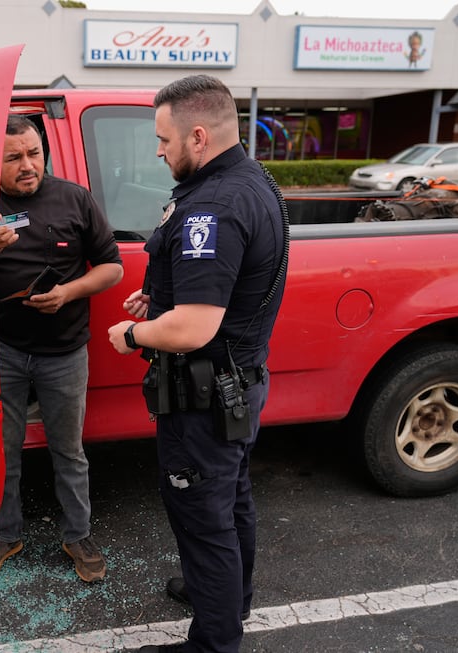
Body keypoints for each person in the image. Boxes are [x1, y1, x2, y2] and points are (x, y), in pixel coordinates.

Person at [108, 75, 287, 653]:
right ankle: (228, 597)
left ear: (199, 136)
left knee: (203, 518)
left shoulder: (213, 205)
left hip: (205, 397)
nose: (158, 150)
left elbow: (194, 326)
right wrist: (158, 299)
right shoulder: (249, 179)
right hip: (236, 386)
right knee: (230, 500)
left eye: (164, 139)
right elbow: (214, 291)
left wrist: (134, 332)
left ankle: (214, 641)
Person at [0, 115, 123, 583]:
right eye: (13, 157)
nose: (27, 165)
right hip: (5, 350)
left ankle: (77, 534)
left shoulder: (73, 198)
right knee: (4, 450)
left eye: (33, 153)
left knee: (68, 451)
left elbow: (111, 268)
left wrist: (69, 292)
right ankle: (5, 533)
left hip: (64, 351)